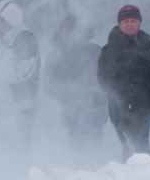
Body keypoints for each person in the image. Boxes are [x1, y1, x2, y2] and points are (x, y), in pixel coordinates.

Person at [97, 4, 150, 160]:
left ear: (139, 23)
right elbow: (103, 77)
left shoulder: (148, 47)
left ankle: (145, 176)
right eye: (125, 22)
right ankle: (125, 177)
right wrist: (120, 93)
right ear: (119, 24)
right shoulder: (109, 49)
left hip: (145, 107)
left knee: (142, 144)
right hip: (119, 107)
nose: (129, 24)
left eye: (133, 21)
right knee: (127, 145)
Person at [0, 0, 41, 151]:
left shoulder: (25, 38)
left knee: (16, 144)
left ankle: (20, 172)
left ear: (12, 19)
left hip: (21, 103)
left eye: (2, 21)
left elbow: (23, 72)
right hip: (0, 103)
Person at [45, 14, 107, 152]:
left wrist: (99, 96)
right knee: (75, 148)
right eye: (70, 30)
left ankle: (95, 168)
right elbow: (48, 84)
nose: (74, 34)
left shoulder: (96, 52)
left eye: (78, 30)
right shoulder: (57, 56)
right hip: (70, 112)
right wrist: (68, 93)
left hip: (95, 110)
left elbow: (109, 79)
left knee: (93, 149)